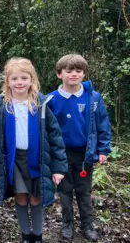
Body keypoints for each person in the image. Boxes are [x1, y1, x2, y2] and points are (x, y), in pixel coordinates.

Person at [0, 58, 68, 243]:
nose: (19, 82)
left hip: (37, 160)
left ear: (32, 80)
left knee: (36, 198)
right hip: (14, 160)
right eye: (15, 78)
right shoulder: (0, 107)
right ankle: (25, 235)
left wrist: (59, 168)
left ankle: (37, 236)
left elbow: (55, 138)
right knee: (21, 198)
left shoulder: (41, 105)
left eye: (24, 77)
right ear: (7, 81)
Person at [47, 54, 111, 241]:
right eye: (69, 71)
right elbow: (48, 130)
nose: (74, 74)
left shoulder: (94, 98)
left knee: (84, 191)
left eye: (78, 71)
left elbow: (103, 125)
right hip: (61, 154)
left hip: (85, 154)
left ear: (83, 74)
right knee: (65, 191)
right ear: (60, 74)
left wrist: (103, 149)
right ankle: (67, 224)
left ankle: (88, 224)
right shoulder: (51, 99)